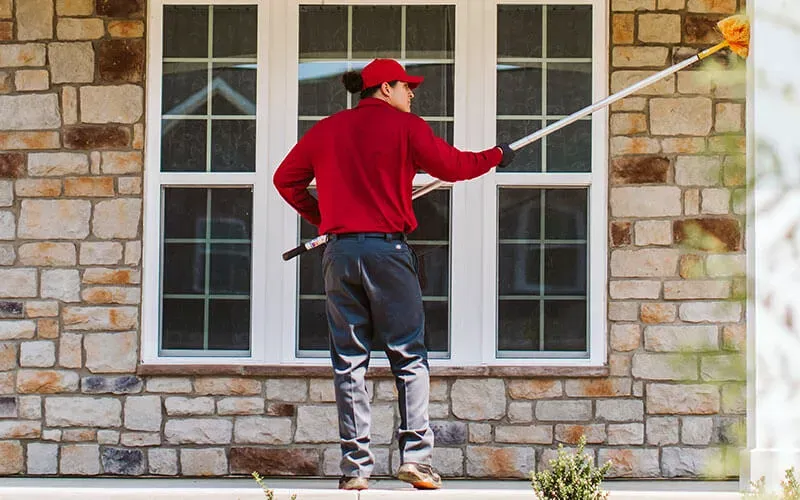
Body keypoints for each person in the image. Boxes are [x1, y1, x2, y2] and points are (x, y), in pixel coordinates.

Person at [273, 58, 516, 491]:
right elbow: (454, 167)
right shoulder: (406, 127)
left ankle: (355, 469)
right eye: (406, 86)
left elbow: (284, 179)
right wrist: (498, 155)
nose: (412, 93)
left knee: (350, 361)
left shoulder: (326, 130)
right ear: (385, 88)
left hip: (340, 254)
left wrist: (323, 220)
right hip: (387, 252)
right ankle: (416, 459)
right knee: (408, 355)